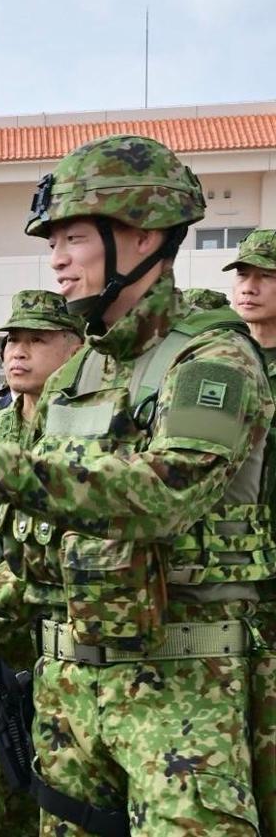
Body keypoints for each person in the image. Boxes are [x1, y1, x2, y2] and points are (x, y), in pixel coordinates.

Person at [0, 135, 273, 836]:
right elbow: (43, 543)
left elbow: (167, 491)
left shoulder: (213, 359)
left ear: (144, 235)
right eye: (52, 241)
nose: (56, 257)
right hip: (68, 695)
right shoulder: (79, 375)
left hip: (185, 693)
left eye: (75, 238)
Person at [0, 289, 84, 837]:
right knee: (12, 783)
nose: (17, 351)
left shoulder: (89, 436)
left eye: (37, 339)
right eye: (12, 339)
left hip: (74, 639)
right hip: (6, 639)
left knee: (74, 798)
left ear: (76, 348)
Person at [224, 228, 276, 837]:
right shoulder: (217, 364)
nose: (250, 286)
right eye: (242, 273)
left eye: (266, 275)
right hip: (228, 584)